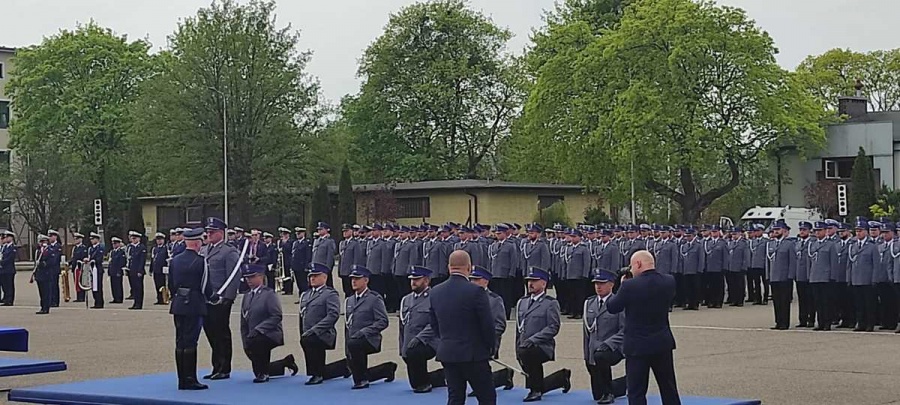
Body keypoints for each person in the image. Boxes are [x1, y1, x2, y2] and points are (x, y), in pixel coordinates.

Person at [607, 250, 681, 405]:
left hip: (637, 346)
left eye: (632, 266)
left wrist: (621, 287)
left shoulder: (629, 286)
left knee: (636, 391)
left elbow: (613, 307)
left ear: (638, 264)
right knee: (668, 388)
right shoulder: (668, 281)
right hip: (662, 342)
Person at [429, 250, 497, 405]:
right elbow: (487, 325)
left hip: (448, 353)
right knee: (486, 398)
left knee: (455, 397)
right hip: (473, 354)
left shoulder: (436, 291)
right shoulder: (476, 291)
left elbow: (433, 324)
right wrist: (489, 348)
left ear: (449, 267)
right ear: (469, 267)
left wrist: (445, 340)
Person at [515, 267, 571, 402]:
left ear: (544, 284)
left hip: (542, 346)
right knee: (527, 359)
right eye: (529, 280)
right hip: (524, 346)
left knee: (529, 356)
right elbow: (519, 327)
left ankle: (536, 391)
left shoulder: (550, 303)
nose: (530, 283)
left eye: (534, 280)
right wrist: (517, 345)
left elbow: (553, 327)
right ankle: (559, 378)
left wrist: (533, 340)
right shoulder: (522, 302)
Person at [239, 263, 297, 383]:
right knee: (255, 358)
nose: (248, 280)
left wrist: (259, 329)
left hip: (269, 333)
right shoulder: (247, 296)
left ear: (261, 277)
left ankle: (264, 373)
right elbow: (244, 321)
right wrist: (245, 338)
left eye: (252, 277)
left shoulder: (269, 294)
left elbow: (276, 316)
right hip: (252, 336)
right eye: (247, 277)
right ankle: (284, 363)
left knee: (258, 346)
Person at [201, 217, 242, 380]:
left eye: (211, 232)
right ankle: (216, 366)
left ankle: (224, 367)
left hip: (220, 298)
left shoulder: (228, 251)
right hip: (207, 298)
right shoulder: (205, 250)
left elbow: (234, 275)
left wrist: (228, 298)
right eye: (208, 232)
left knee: (221, 333)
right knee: (210, 332)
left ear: (220, 233)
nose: (208, 235)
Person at [169, 228, 210, 390]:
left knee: (180, 341)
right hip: (194, 303)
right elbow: (205, 285)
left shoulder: (175, 260)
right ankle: (190, 378)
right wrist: (213, 297)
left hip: (178, 303)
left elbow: (171, 284)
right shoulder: (201, 261)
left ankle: (182, 379)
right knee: (191, 341)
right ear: (196, 242)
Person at [343, 265, 396, 389]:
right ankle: (386, 369)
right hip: (352, 340)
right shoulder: (349, 300)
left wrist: (365, 332)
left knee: (356, 351)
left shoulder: (374, 299)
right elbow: (348, 324)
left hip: (369, 338)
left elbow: (383, 321)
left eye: (357, 278)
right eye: (352, 279)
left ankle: (361, 380)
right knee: (353, 364)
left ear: (366, 280)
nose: (354, 281)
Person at [467, 266, 515, 396]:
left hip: (486, 341)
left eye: (476, 280)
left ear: (485, 282)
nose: (473, 282)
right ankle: (503, 376)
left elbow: (500, 324)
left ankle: (487, 385)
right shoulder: (466, 297)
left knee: (479, 368)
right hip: (467, 341)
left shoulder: (494, 300)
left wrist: (487, 338)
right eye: (471, 279)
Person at [300, 262, 349, 385]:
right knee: (307, 341)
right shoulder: (305, 295)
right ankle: (339, 368)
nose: (312, 278)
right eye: (311, 276)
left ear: (325, 277)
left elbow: (333, 315)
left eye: (316, 276)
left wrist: (316, 329)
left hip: (323, 332)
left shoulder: (329, 294)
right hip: (308, 332)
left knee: (311, 341)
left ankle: (317, 374)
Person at [399, 265, 445, 393]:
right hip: (410, 343)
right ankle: (440, 377)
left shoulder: (434, 298)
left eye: (417, 279)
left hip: (430, 341)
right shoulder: (406, 299)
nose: (413, 282)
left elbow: (436, 323)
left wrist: (420, 338)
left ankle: (424, 384)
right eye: (412, 279)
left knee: (415, 354)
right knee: (414, 381)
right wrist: (402, 346)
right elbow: (403, 326)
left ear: (426, 281)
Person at [584, 270, 628, 404]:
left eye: (602, 283)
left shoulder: (618, 303)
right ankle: (626, 382)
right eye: (596, 283)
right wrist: (587, 354)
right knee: (597, 394)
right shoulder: (589, 303)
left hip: (613, 348)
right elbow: (587, 333)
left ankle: (609, 393)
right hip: (595, 350)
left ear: (611, 285)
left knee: (601, 356)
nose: (598, 286)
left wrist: (608, 344)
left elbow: (624, 329)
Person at [768, 221, 796, 330]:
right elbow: (768, 262)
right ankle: (778, 321)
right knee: (776, 301)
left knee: (784, 301)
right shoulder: (771, 244)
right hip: (774, 276)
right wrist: (768, 275)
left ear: (784, 231)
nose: (775, 232)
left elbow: (792, 261)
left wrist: (790, 276)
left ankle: (785, 322)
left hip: (784, 277)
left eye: (778, 230)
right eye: (774, 230)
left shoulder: (789, 244)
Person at [808, 221, 837, 331]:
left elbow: (833, 262)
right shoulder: (813, 244)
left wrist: (832, 277)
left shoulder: (830, 245)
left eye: (820, 230)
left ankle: (827, 323)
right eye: (816, 231)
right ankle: (820, 322)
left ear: (825, 231)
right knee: (818, 302)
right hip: (815, 276)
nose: (817, 233)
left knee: (826, 302)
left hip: (826, 277)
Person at [30, 234, 53, 314]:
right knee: (41, 292)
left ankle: (46, 307)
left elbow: (51, 261)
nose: (41, 243)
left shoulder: (49, 250)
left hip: (46, 274)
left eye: (43, 241)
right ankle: (42, 306)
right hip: (40, 274)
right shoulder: (38, 251)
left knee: (46, 291)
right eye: (40, 241)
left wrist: (43, 264)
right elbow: (36, 262)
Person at [127, 231, 147, 310]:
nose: (133, 240)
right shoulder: (131, 247)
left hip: (138, 271)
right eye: (132, 238)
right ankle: (135, 302)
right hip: (131, 270)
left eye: (135, 238)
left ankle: (139, 303)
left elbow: (142, 261)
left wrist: (140, 270)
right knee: (134, 287)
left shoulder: (141, 247)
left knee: (139, 287)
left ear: (139, 239)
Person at [313, 222, 337, 288]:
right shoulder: (316, 240)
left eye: (321, 229)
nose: (319, 231)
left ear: (327, 230)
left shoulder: (329, 241)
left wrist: (328, 268)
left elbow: (330, 256)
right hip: (316, 266)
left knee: (328, 285)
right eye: (318, 229)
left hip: (324, 267)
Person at [85, 232, 105, 309]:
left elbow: (99, 259)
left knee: (98, 286)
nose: (92, 240)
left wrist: (91, 260)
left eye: (93, 239)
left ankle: (99, 302)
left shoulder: (100, 248)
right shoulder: (90, 249)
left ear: (97, 239)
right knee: (94, 286)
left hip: (97, 269)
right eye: (91, 239)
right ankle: (96, 301)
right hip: (91, 269)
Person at [151, 233, 169, 305]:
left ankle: (164, 299)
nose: (159, 241)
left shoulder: (165, 248)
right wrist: (151, 269)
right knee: (157, 285)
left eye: (160, 239)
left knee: (163, 285)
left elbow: (168, 259)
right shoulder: (155, 249)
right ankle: (159, 299)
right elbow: (153, 260)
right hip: (156, 270)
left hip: (163, 270)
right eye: (158, 240)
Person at [70, 233, 88, 303]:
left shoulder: (83, 248)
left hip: (81, 267)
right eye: (74, 239)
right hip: (75, 268)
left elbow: (83, 257)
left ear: (80, 239)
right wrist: (69, 263)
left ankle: (82, 297)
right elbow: (73, 258)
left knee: (81, 281)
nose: (75, 240)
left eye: (76, 239)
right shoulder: (74, 248)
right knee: (76, 282)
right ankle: (78, 296)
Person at [0, 231, 17, 306]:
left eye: (7, 237)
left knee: (9, 285)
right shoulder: (5, 247)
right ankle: (6, 298)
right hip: (3, 269)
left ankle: (10, 300)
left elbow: (9, 258)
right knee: (5, 285)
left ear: (11, 238)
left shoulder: (12, 247)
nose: (6, 238)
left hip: (9, 269)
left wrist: (1, 262)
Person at [109, 237, 126, 303]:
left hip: (118, 271)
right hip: (112, 271)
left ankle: (119, 298)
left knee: (118, 285)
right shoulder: (112, 252)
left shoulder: (121, 252)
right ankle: (115, 298)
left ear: (119, 244)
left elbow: (122, 262)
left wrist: (119, 271)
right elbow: (110, 262)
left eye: (115, 243)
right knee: (113, 285)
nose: (114, 245)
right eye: (113, 244)